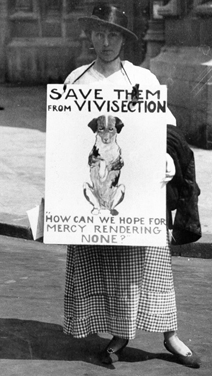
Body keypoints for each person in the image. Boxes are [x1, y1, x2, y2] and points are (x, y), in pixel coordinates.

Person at [62, 4, 201, 368]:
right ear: (89, 35)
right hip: (96, 190)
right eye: (98, 33)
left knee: (149, 263)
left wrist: (169, 158)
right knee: (105, 264)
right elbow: (64, 136)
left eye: (112, 34)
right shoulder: (76, 80)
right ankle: (120, 333)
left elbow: (165, 128)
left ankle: (170, 334)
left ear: (124, 39)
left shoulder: (142, 80)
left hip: (138, 192)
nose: (104, 42)